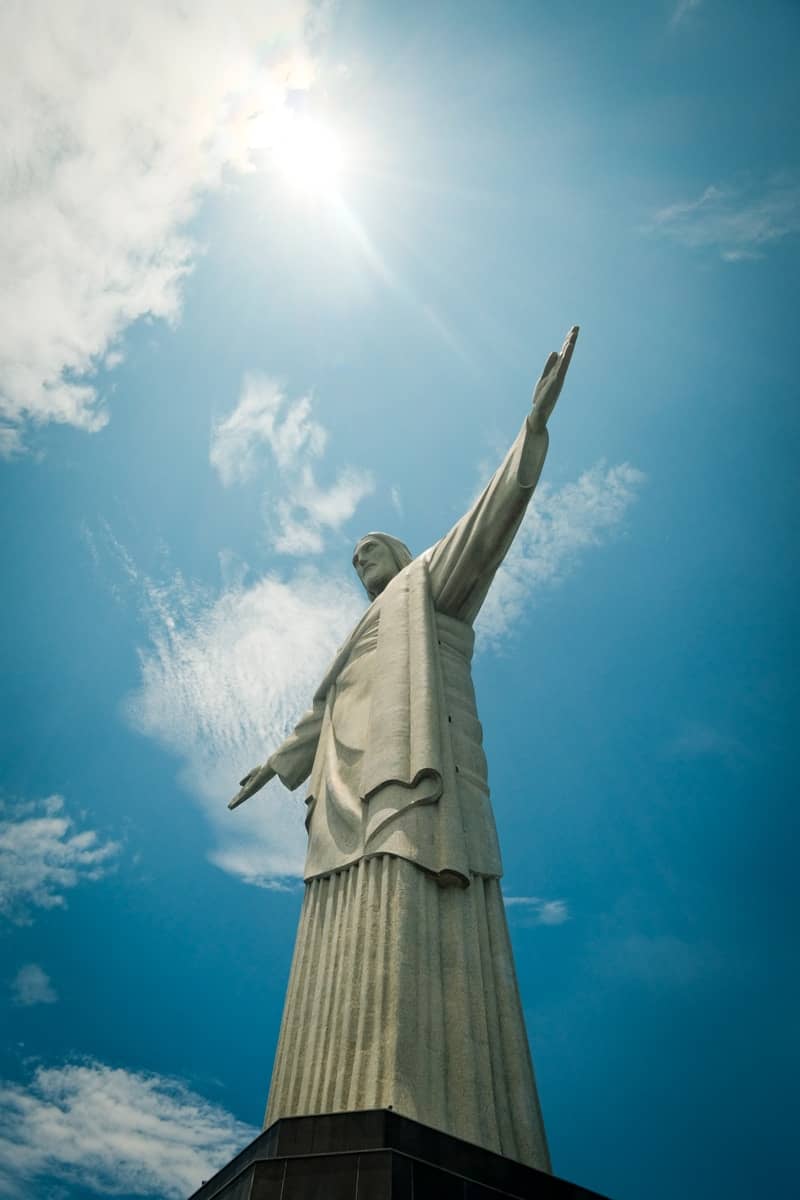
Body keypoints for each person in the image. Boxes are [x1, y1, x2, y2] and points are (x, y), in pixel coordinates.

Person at [229, 327, 579, 1169]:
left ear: (398, 552)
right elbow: (318, 712)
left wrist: (530, 428)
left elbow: (489, 522)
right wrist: (277, 763)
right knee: (341, 899)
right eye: (353, 561)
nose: (362, 565)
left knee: (414, 873)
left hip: (407, 768)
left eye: (370, 552)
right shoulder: (358, 637)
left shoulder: (431, 586)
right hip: (342, 782)